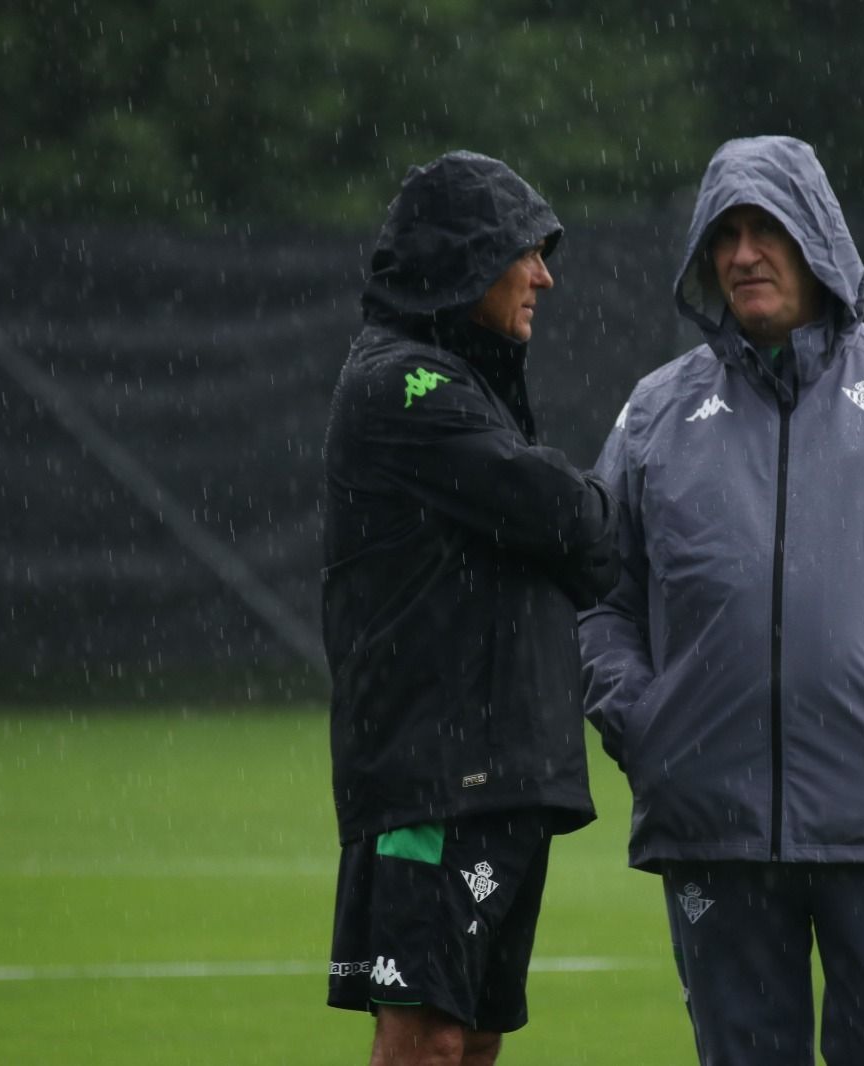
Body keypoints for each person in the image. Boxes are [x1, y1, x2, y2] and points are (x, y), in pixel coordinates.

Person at [579, 135, 864, 1066]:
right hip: (710, 822)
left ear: (817, 237)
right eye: (725, 235)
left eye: (768, 230)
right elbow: (595, 588)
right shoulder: (655, 411)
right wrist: (644, 722)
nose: (744, 255)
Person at [322, 150, 619, 1066]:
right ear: (464, 259)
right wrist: (591, 517)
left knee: (475, 1036)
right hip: (441, 777)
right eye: (524, 253)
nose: (544, 276)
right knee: (429, 1037)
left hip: (494, 776)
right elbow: (569, 520)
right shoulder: (407, 385)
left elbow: (566, 535)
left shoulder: (466, 383)